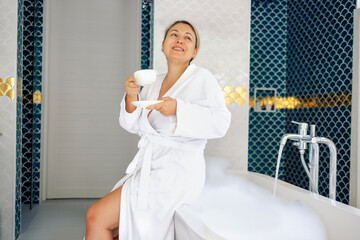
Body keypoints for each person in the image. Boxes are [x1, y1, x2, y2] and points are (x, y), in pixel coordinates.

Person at [84, 20, 231, 240]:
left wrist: (177, 109)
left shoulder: (203, 78)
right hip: (151, 166)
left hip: (177, 171)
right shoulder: (154, 82)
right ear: (163, 45)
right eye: (174, 34)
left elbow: (221, 122)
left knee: (96, 216)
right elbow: (131, 124)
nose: (180, 39)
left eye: (188, 37)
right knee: (116, 230)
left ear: (195, 51)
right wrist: (132, 96)